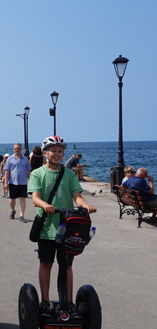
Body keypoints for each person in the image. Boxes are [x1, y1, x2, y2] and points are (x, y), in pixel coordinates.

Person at [28, 136, 97, 318]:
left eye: (60, 151)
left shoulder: (69, 174)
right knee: (46, 263)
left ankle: (68, 302)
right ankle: (44, 301)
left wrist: (85, 205)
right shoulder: (38, 173)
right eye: (53, 151)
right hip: (46, 227)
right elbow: (35, 197)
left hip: (67, 227)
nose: (57, 154)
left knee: (66, 265)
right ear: (45, 153)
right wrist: (44, 205)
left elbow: (77, 196)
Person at [4, 143, 32, 222]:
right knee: (12, 199)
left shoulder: (25, 159)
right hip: (13, 182)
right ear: (14, 149)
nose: (17, 150)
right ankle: (13, 210)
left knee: (22, 199)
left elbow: (28, 171)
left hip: (23, 182)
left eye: (18, 148)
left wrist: (31, 181)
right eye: (16, 149)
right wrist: (6, 182)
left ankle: (21, 215)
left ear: (21, 149)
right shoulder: (10, 159)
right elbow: (7, 171)